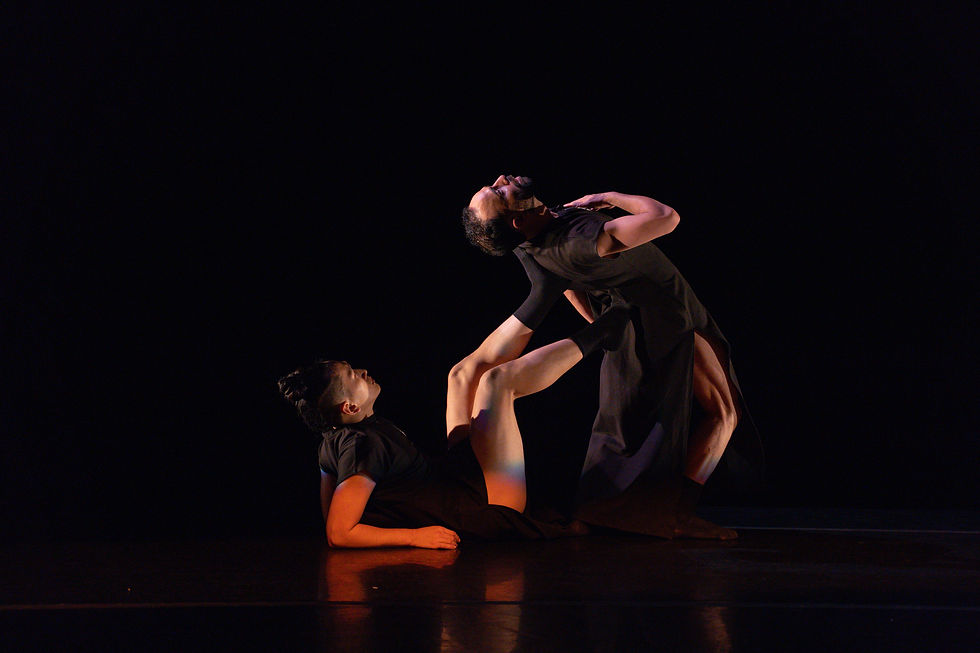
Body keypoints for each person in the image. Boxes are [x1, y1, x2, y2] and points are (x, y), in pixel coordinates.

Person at [454, 175, 765, 539]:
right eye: (498, 192)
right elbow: (666, 217)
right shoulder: (578, 243)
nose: (502, 180)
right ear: (517, 221)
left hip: (638, 317)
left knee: (626, 423)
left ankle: (603, 515)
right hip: (669, 315)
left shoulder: (532, 242)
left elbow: (561, 282)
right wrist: (608, 196)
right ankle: (676, 515)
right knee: (721, 412)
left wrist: (603, 323)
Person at [278, 306, 631, 549]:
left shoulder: (332, 440)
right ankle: (605, 331)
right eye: (353, 376)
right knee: (497, 384)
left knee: (460, 376)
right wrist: (415, 536)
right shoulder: (362, 446)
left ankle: (545, 291)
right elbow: (338, 531)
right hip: (488, 505)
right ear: (350, 407)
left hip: (457, 483)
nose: (363, 372)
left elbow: (330, 510)